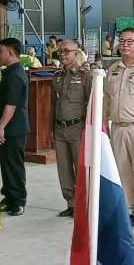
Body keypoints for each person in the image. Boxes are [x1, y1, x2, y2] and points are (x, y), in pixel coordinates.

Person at [103, 28, 134, 227]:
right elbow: (106, 98)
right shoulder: (113, 68)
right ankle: (128, 207)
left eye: (129, 41)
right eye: (121, 41)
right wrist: (103, 124)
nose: (124, 45)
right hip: (118, 127)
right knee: (122, 169)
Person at [0, 38, 30, 217]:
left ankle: (19, 199)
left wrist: (1, 127)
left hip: (13, 128)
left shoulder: (15, 75)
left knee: (14, 165)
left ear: (11, 54)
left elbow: (11, 105)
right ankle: (9, 196)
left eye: (1, 51)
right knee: (6, 164)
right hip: (9, 128)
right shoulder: (9, 72)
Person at [51, 38, 92, 217]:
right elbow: (53, 104)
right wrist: (51, 128)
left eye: (67, 51)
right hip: (60, 128)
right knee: (64, 168)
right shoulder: (57, 77)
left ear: (77, 53)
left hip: (78, 127)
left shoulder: (85, 76)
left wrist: (88, 128)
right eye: (61, 52)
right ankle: (71, 203)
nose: (64, 55)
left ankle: (86, 205)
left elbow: (92, 103)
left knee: (81, 168)